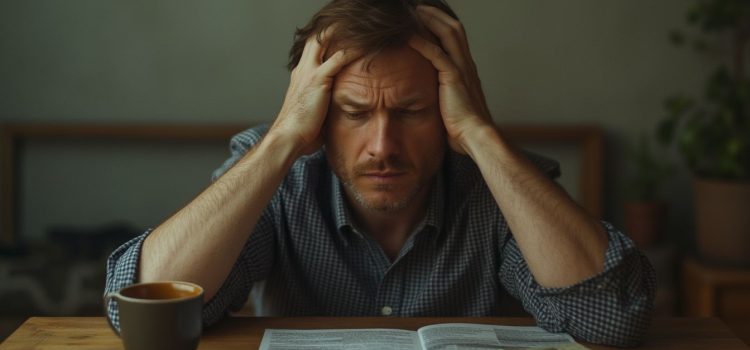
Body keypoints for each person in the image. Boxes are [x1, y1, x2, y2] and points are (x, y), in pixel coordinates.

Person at [105, 0, 656, 346]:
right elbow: (137, 310)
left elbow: (611, 317)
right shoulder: (280, 176)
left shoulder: (498, 185)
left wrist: (483, 135)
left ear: (447, 108)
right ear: (318, 114)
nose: (382, 147)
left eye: (413, 112)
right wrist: (281, 139)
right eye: (353, 112)